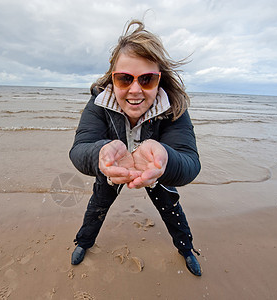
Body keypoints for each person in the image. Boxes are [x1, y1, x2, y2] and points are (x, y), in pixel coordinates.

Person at [69, 19, 202, 276]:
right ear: (113, 78)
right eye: (125, 78)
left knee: (171, 208)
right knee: (97, 205)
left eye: (147, 79)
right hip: (114, 168)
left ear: (159, 79)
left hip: (154, 170)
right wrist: (101, 154)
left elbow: (190, 162)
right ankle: (83, 243)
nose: (135, 90)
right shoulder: (99, 104)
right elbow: (79, 149)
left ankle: (186, 249)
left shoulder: (172, 108)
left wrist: (165, 159)